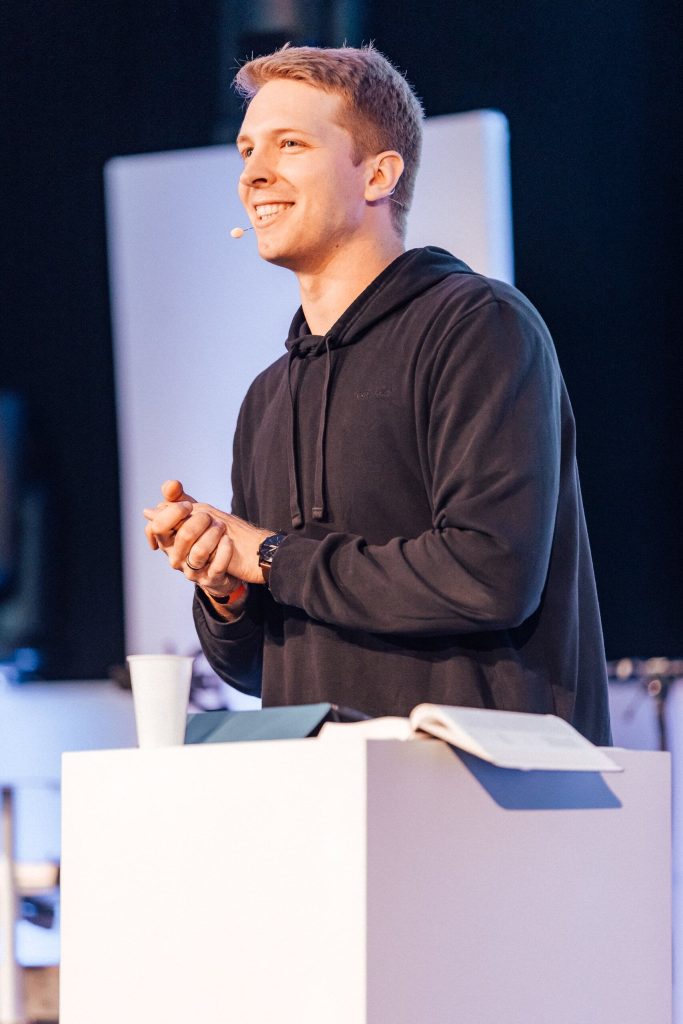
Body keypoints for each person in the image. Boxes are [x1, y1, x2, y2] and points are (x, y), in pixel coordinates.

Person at [143, 44, 611, 743]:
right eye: (246, 151)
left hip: (485, 786)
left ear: (378, 175)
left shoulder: (477, 324)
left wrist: (270, 556)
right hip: (325, 787)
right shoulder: (266, 398)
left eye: (289, 144)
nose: (253, 174)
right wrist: (228, 586)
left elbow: (489, 574)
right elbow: (258, 668)